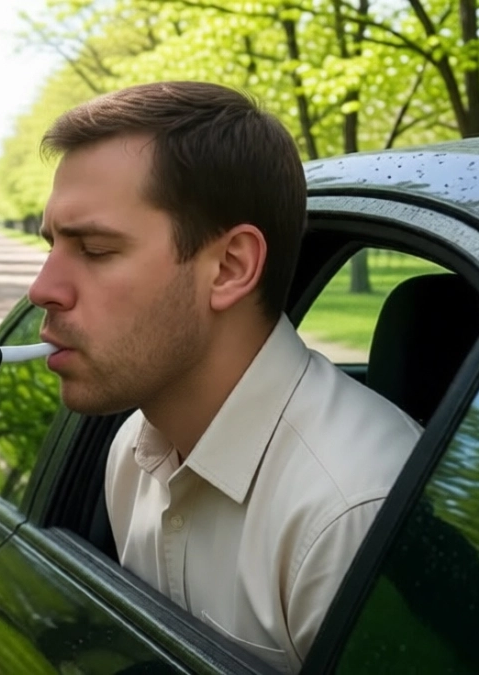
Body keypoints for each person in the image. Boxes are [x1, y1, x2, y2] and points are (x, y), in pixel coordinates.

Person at [29, 81, 421, 673]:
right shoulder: (132, 450)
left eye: (96, 249)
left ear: (230, 267)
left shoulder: (350, 516)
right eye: (53, 243)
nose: (42, 289)